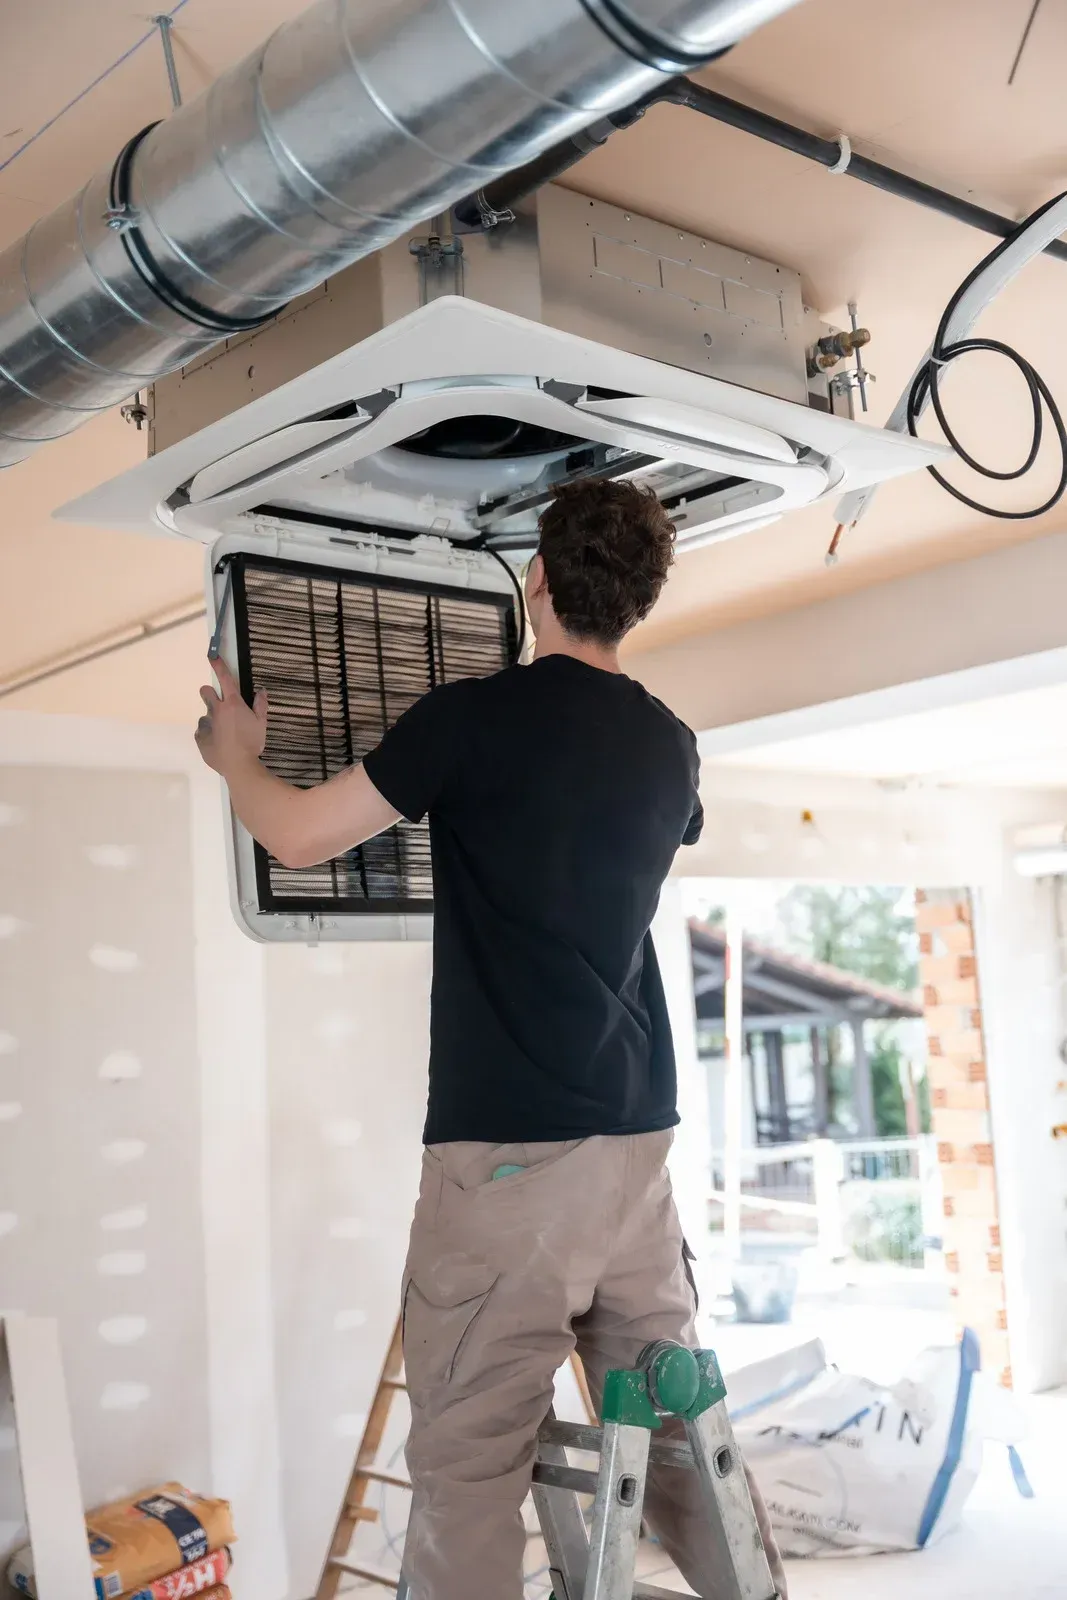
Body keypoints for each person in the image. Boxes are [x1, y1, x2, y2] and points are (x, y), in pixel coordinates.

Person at [195, 479, 786, 1600]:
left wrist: (235, 754)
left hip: (510, 1159)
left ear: (538, 584)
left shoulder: (473, 721)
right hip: (635, 1155)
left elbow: (302, 833)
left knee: (468, 1467)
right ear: (637, 603)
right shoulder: (670, 746)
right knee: (673, 1437)